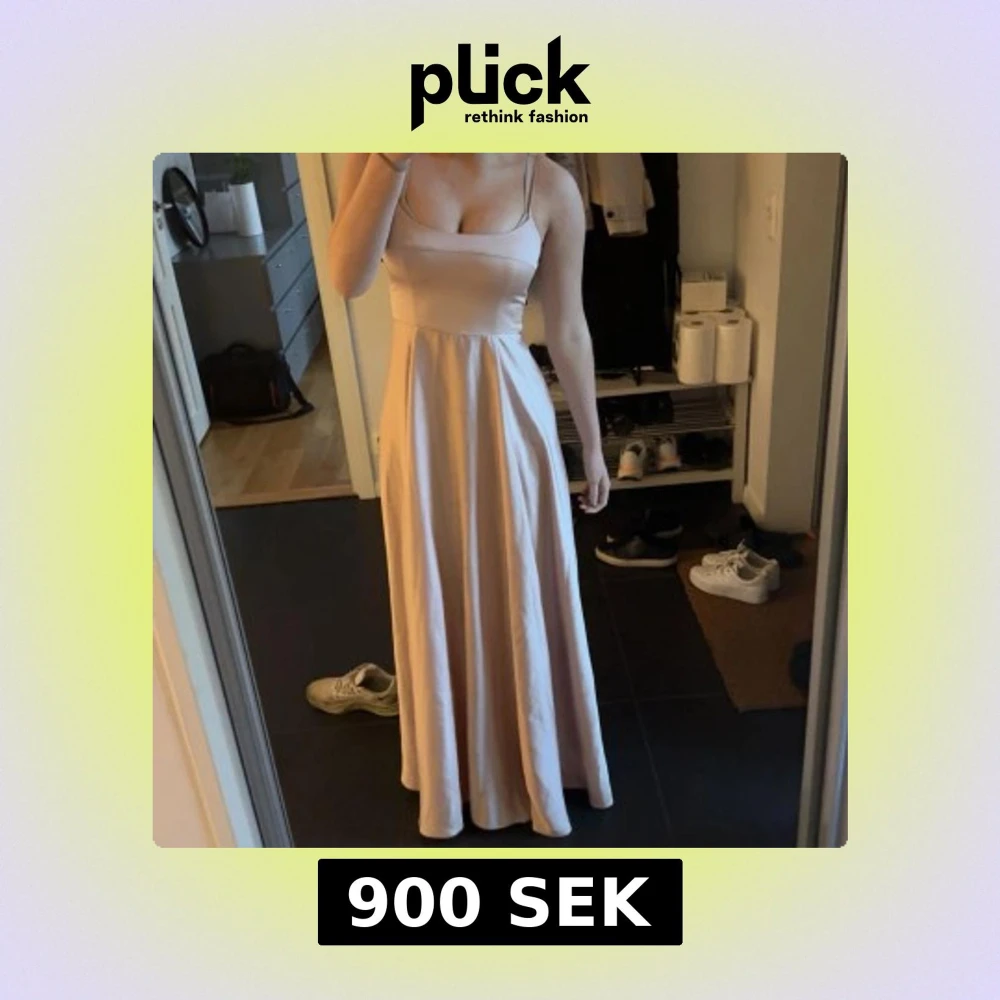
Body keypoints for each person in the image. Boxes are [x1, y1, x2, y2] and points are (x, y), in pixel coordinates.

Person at [327, 152, 613, 839]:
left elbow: (568, 327)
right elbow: (347, 278)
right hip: (418, 416)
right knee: (435, 583)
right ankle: (453, 761)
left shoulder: (551, 185)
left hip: (510, 416)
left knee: (516, 588)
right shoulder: (377, 157)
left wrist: (593, 445)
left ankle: (531, 758)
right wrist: (392, 158)